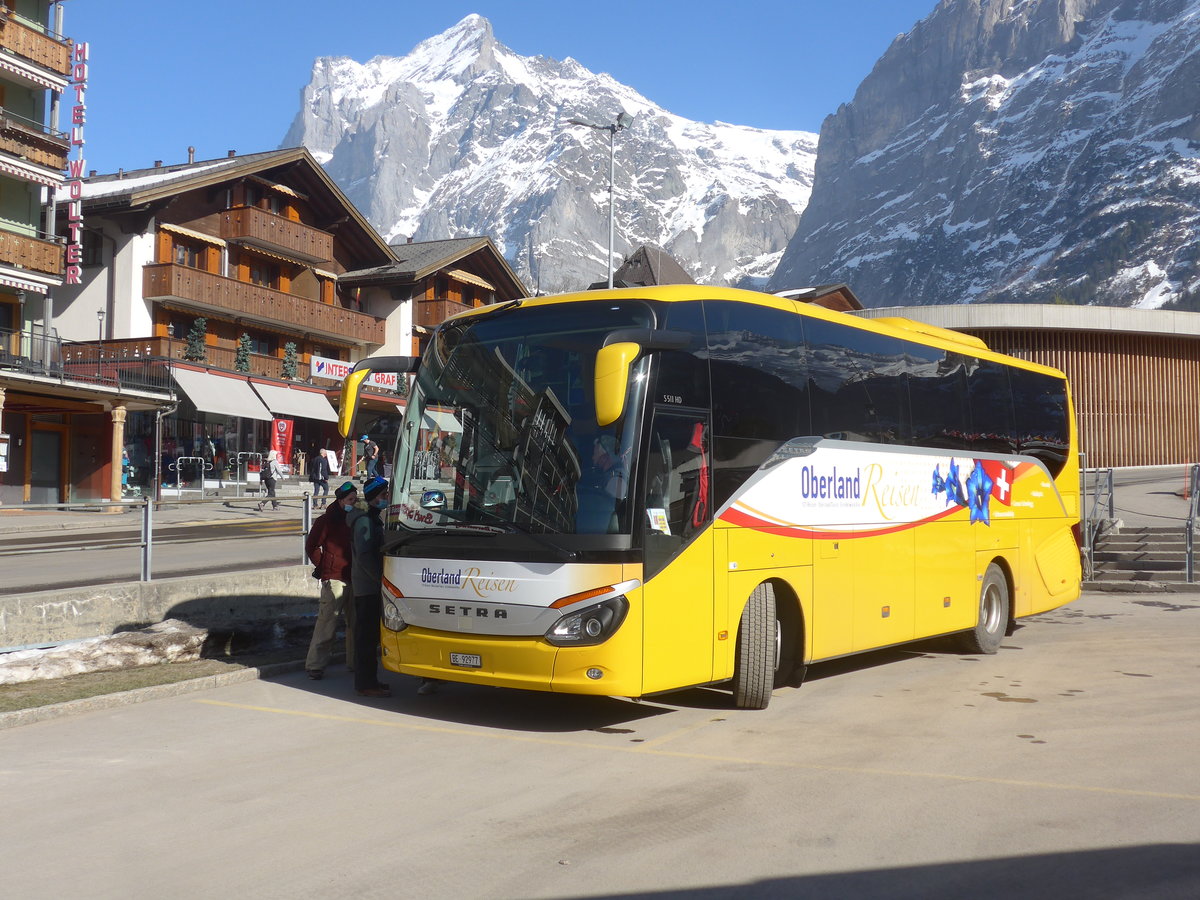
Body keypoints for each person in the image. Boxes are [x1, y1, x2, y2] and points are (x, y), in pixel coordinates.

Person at [304, 481, 358, 680]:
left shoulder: (355, 519)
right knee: (327, 623)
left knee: (356, 624)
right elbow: (311, 546)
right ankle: (315, 665)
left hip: (354, 577)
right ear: (341, 500)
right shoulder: (326, 521)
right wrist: (324, 567)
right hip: (334, 578)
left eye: (355, 499)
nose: (354, 502)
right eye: (351, 499)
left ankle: (355, 662)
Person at [349, 476, 392, 698]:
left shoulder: (371, 517)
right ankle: (365, 684)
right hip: (367, 587)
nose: (387, 498)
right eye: (385, 495)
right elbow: (365, 556)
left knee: (370, 636)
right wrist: (380, 580)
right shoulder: (364, 520)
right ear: (375, 497)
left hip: (370, 585)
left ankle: (370, 680)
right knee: (366, 638)